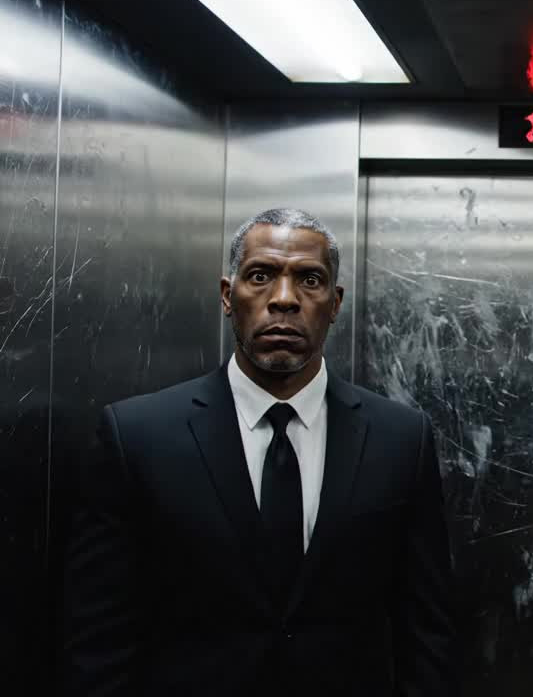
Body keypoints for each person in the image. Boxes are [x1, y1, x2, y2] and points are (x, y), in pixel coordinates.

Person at [59, 208, 456, 696]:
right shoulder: (138, 437)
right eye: (261, 275)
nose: (284, 299)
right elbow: (99, 639)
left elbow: (427, 633)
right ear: (229, 296)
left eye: (309, 280)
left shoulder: (400, 440)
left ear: (335, 303)